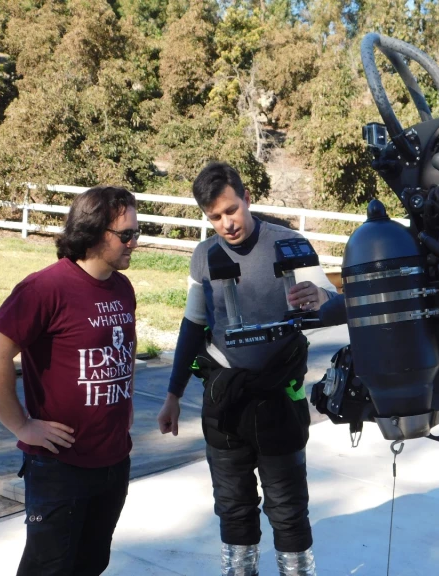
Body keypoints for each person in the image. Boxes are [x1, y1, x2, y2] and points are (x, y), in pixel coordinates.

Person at [157, 162, 337, 576]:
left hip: (279, 398)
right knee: (233, 505)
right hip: (224, 400)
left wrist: (320, 297)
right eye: (215, 217)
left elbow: (330, 300)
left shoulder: (289, 243)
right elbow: (193, 326)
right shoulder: (204, 255)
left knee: (287, 507)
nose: (227, 224)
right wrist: (173, 394)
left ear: (247, 198)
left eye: (231, 210)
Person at [0, 185, 140, 576]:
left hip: (114, 459)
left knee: (91, 563)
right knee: (48, 569)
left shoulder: (121, 287)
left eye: (137, 231)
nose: (136, 242)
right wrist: (22, 425)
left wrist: (125, 404)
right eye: (127, 234)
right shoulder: (45, 288)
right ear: (96, 234)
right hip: (60, 467)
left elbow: (121, 353)